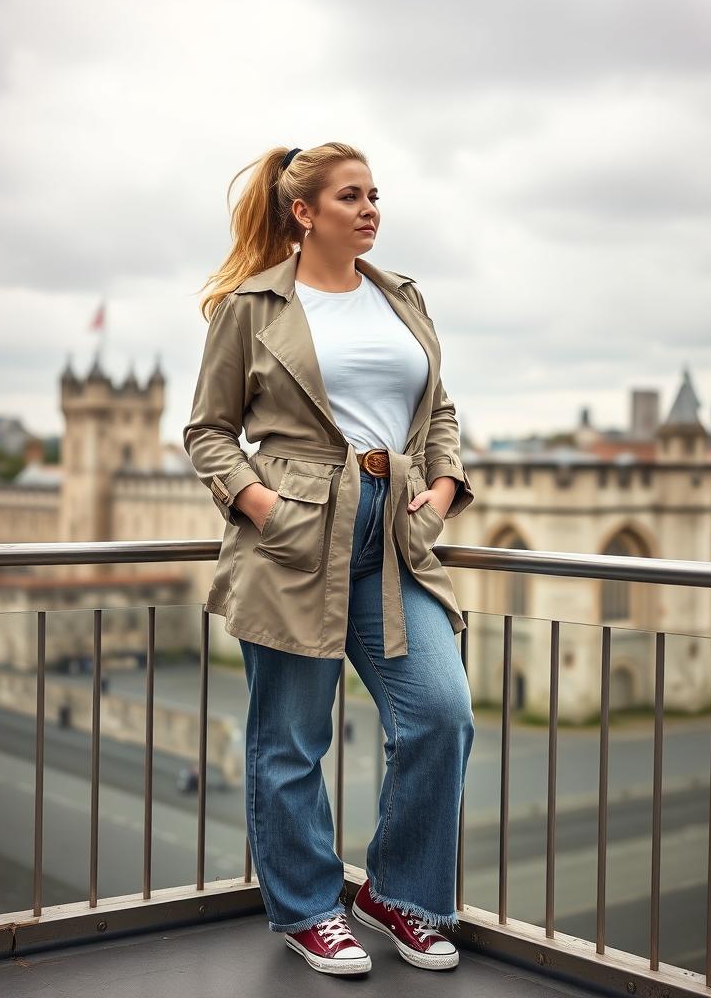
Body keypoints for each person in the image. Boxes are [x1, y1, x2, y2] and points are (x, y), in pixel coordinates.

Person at [183, 142, 477, 977]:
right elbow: (209, 431)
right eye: (352, 196)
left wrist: (449, 480)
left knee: (440, 714)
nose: (372, 208)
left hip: (394, 537)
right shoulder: (252, 307)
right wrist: (261, 506)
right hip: (295, 535)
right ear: (304, 213)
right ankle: (309, 909)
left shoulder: (403, 298)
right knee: (291, 740)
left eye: (376, 194)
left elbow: (439, 409)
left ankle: (401, 895)